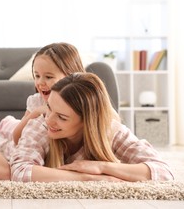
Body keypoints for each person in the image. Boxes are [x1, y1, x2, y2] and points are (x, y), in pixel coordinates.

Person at [10, 72, 174, 182]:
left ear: (88, 121)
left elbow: (163, 172)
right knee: (8, 129)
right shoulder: (40, 124)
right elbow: (20, 171)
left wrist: (102, 167)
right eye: (49, 107)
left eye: (62, 117)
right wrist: (86, 177)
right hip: (11, 143)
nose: (49, 120)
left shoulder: (111, 130)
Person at [0, 42, 86, 160]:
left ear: (70, 76)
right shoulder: (36, 101)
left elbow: (112, 119)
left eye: (48, 77)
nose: (40, 82)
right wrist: (37, 112)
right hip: (22, 134)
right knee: (9, 129)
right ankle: (6, 122)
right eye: (37, 76)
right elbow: (16, 137)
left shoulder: (85, 99)